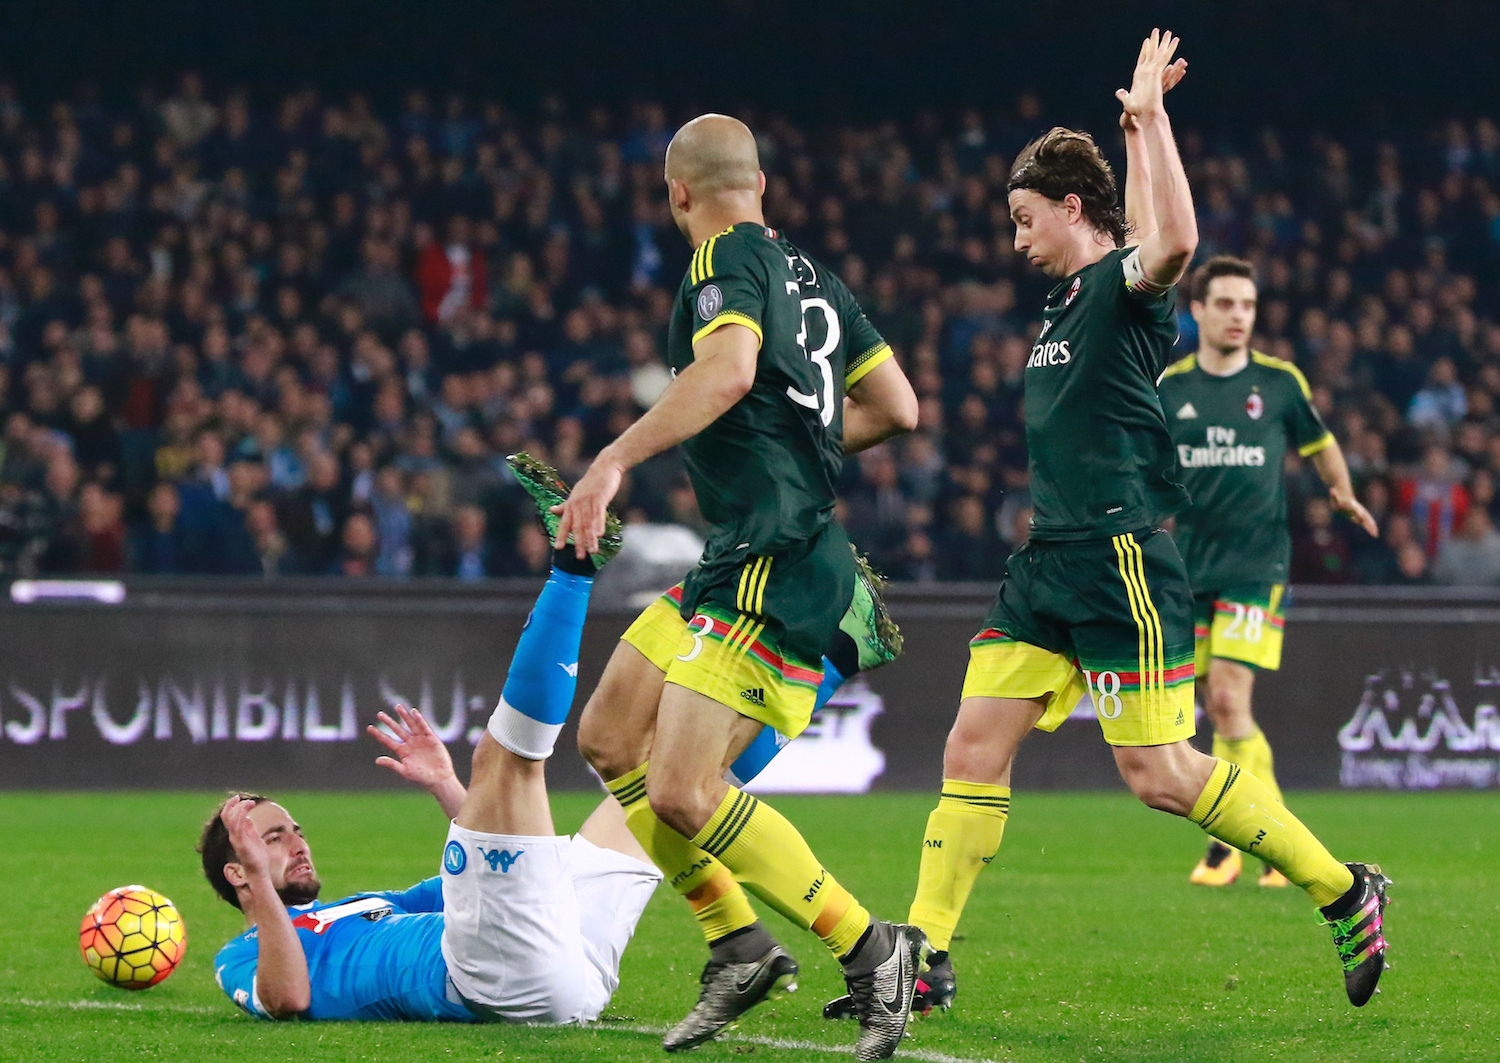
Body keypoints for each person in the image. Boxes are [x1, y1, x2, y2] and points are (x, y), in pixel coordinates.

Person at [875, 32, 1388, 1019]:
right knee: (968, 754)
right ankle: (927, 954)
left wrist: (1151, 123)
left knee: (1158, 774)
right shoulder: (1068, 303)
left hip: (1120, 561)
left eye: (1026, 218)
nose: (1015, 237)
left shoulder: (1122, 292)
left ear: (1071, 209)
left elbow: (1177, 246)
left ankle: (1343, 888)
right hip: (1049, 564)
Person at [550, 113, 924, 1060]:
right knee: (606, 733)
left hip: (775, 552)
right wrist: (805, 455)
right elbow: (899, 407)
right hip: (740, 551)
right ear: (761, 183)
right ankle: (737, 942)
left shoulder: (721, 263)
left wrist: (611, 461)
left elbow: (727, 371)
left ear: (678, 194)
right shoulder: (821, 284)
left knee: (682, 787)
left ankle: (870, 947)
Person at [201, 531, 663, 1024]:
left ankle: (735, 607)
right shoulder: (240, 956)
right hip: (501, 977)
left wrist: (446, 785)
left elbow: (488, 877)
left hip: (566, 961)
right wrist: (258, 874)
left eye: (296, 831)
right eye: (273, 838)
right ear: (237, 872)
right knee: (504, 758)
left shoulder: (368, 906)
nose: (298, 844)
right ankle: (573, 568)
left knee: (656, 784)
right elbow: (288, 998)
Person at [1159, 255, 1378, 887]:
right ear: (1197, 311)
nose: (1238, 316)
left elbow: (1320, 441)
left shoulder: (1279, 383)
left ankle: (1224, 848)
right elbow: (1144, 464)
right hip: (1191, 569)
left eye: (1248, 306)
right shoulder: (1171, 389)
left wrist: (1340, 489)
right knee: (1217, 708)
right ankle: (1275, 833)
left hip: (1258, 567)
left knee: (1228, 698)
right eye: (1225, 304)